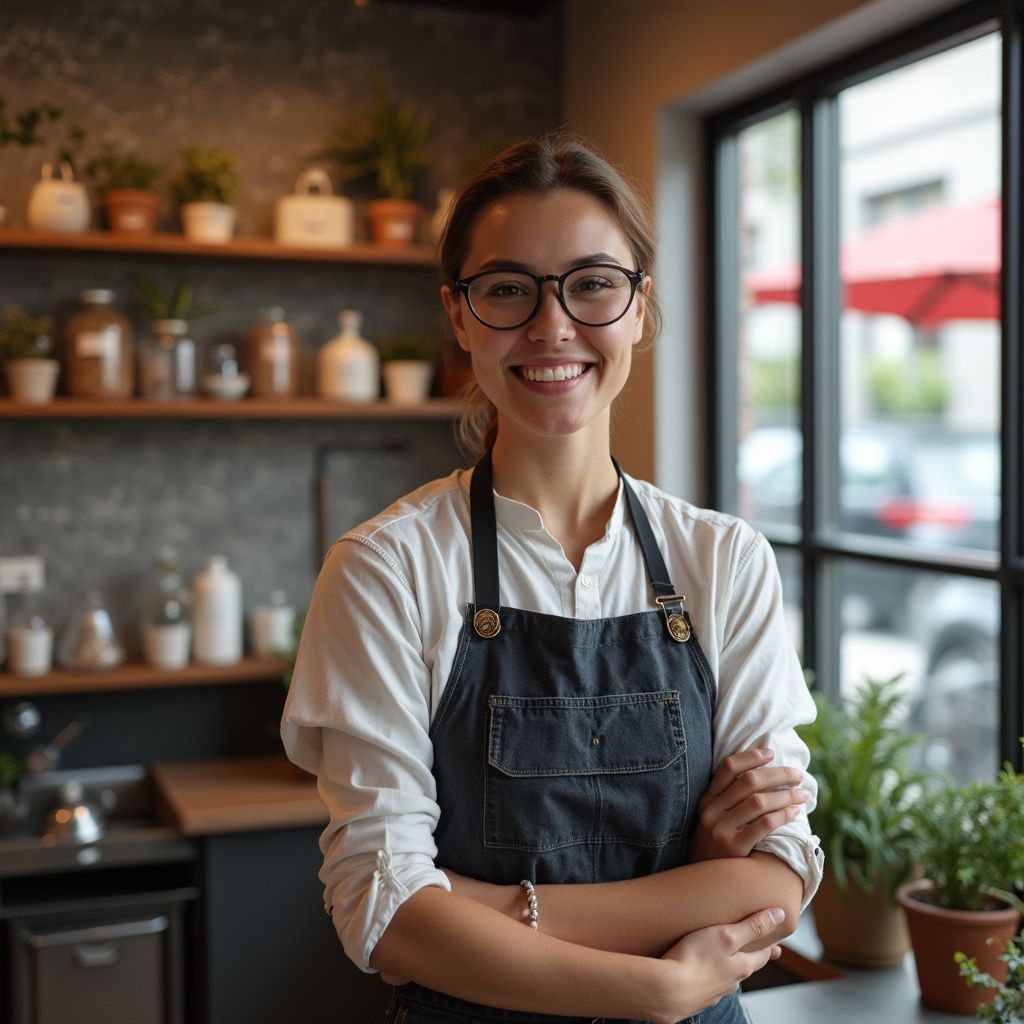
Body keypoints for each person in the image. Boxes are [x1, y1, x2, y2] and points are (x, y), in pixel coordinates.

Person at [282, 132, 823, 1024]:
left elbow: (776, 875)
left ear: (641, 308)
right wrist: (656, 981)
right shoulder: (388, 568)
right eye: (506, 289)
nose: (552, 325)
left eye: (593, 283)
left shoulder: (723, 561)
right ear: (458, 318)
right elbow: (380, 910)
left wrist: (486, 908)